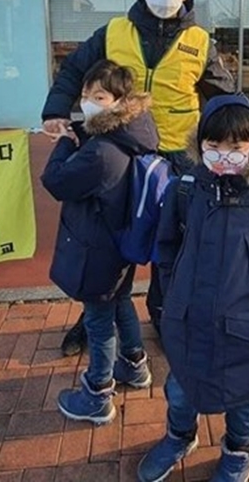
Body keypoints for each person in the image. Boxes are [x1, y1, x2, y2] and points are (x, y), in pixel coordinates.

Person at [41, 0, 235, 355]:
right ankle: (96, 315)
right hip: (121, 154)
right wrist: (56, 110)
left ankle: (164, 316)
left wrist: (248, 136)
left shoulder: (200, 41)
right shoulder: (113, 32)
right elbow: (73, 70)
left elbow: (224, 97)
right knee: (107, 241)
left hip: (178, 158)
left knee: (173, 243)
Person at [137, 94, 249, 482]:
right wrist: (171, 304)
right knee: (181, 389)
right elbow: (167, 251)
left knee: (244, 398)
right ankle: (179, 436)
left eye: (236, 146)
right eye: (214, 144)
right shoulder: (183, 192)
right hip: (188, 323)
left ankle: (239, 449)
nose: (224, 155)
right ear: (200, 143)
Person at [41, 60, 156, 424]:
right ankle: (134, 365)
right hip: (120, 243)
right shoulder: (133, 131)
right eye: (86, 94)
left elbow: (55, 181)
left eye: (100, 96)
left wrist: (64, 142)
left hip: (97, 248)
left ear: (120, 100)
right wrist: (79, 132)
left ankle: (97, 394)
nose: (89, 102)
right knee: (120, 301)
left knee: (98, 319)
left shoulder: (103, 151)